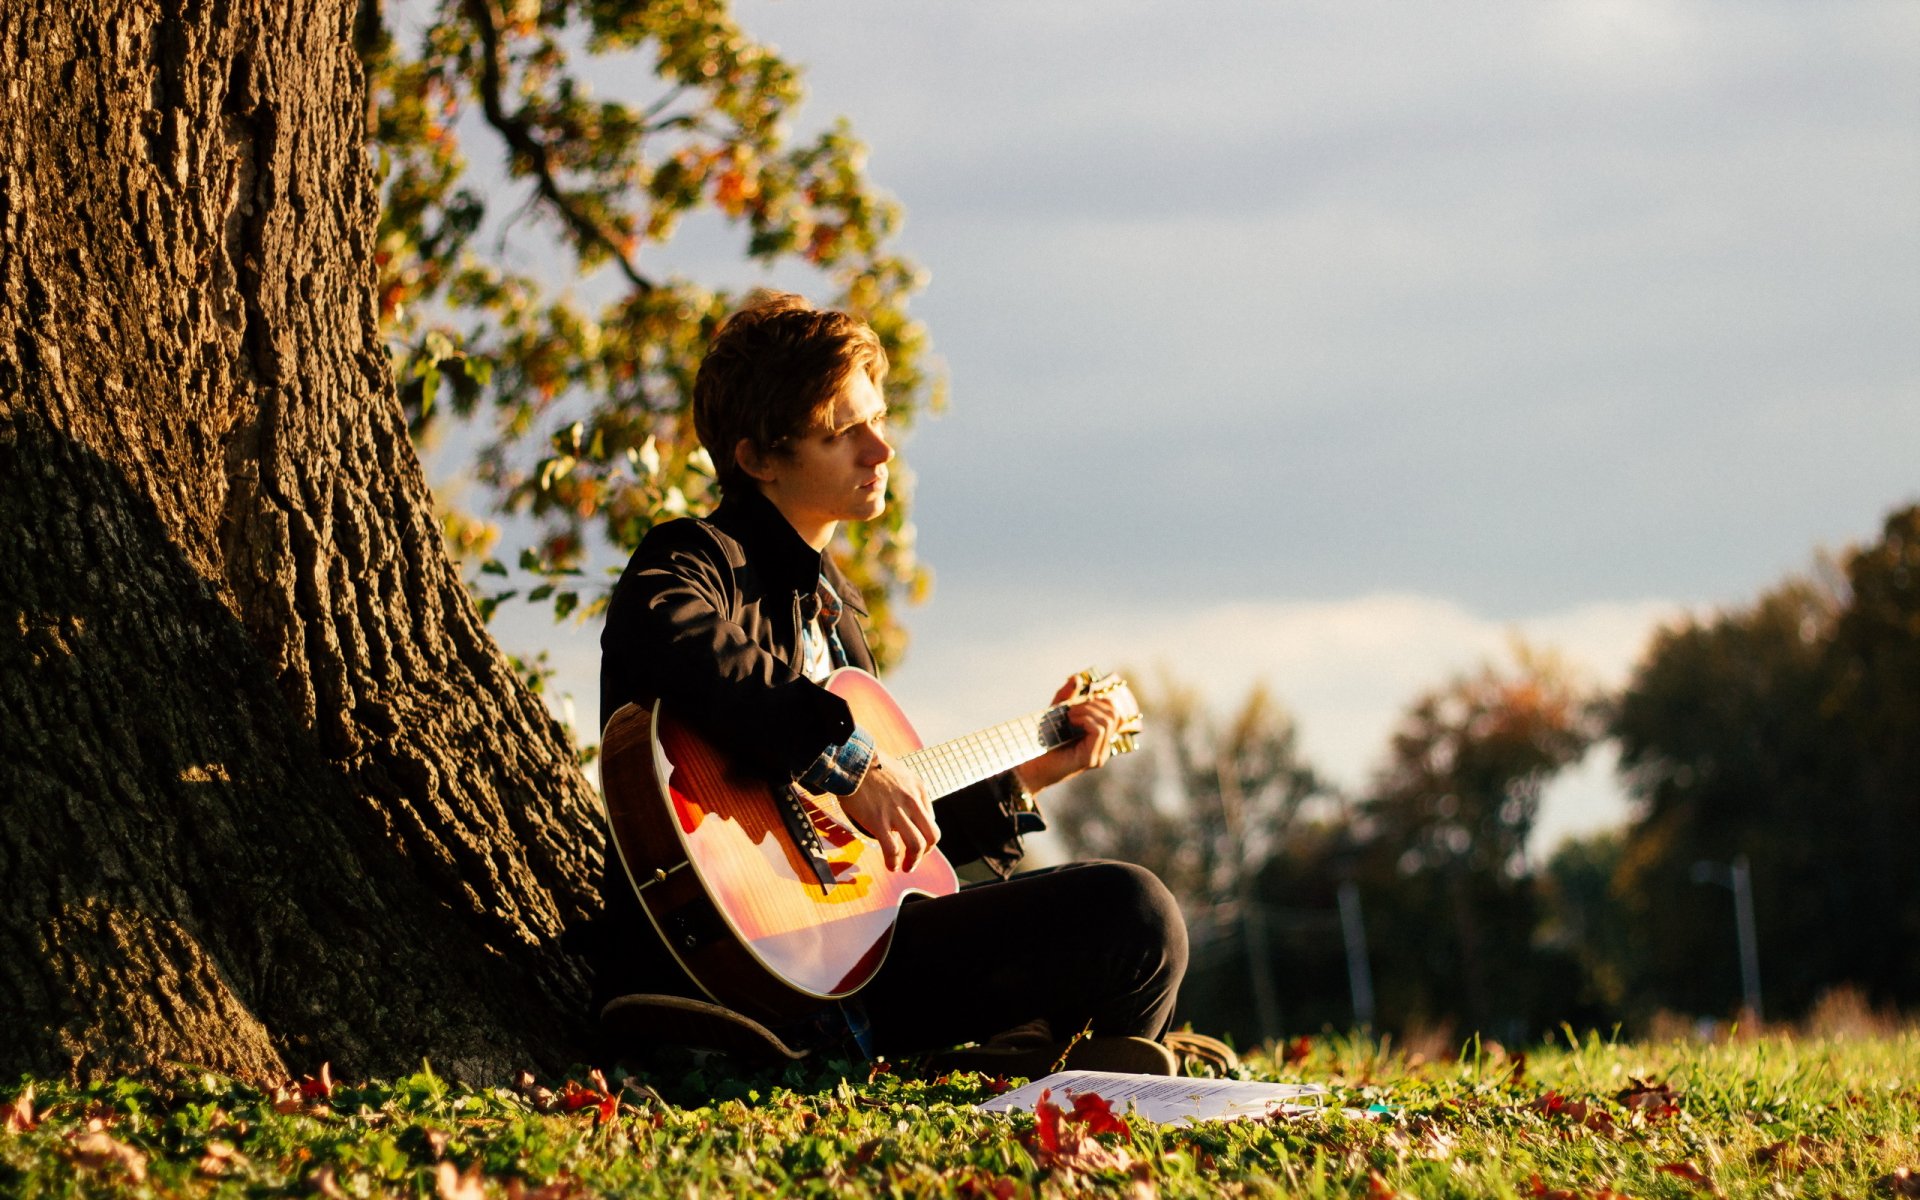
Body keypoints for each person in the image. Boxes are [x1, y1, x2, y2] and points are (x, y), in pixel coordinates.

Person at [588, 291, 1191, 1072]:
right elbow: (666, 632)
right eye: (844, 432)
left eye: (879, 421)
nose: (881, 449)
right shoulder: (698, 560)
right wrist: (847, 764)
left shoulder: (839, 615)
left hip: (856, 960)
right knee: (1134, 907)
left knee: (1136, 922)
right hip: (731, 966)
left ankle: (1064, 1077)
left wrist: (1029, 776)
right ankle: (1040, 1063)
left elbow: (884, 852)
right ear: (759, 457)